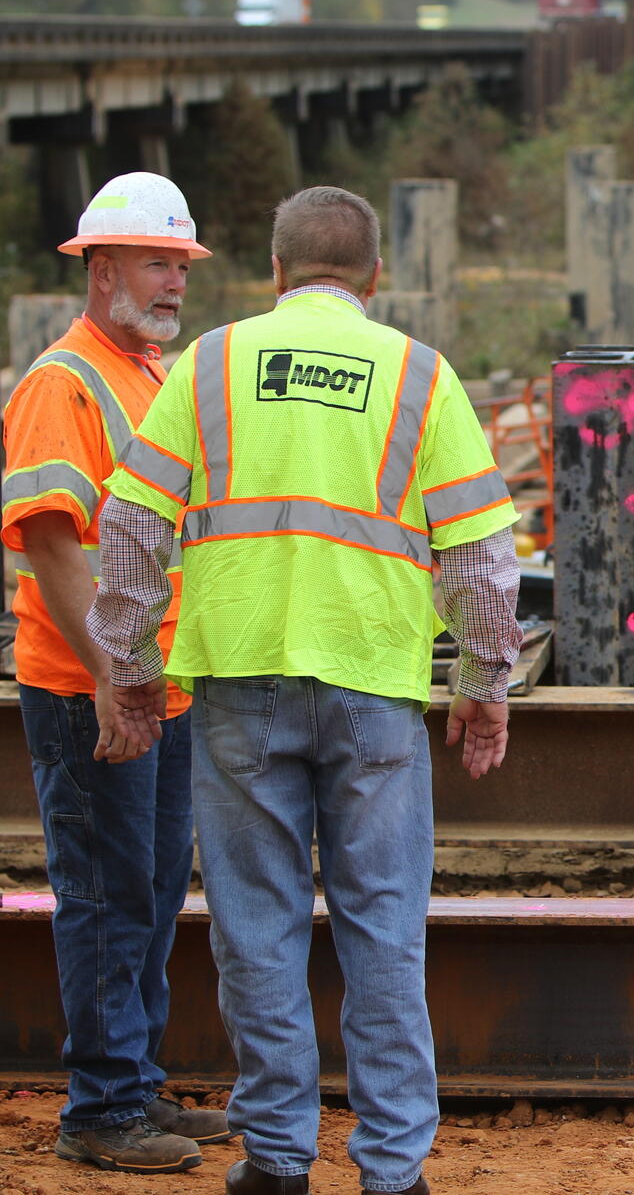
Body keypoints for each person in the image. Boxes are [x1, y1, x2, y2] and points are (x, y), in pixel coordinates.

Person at [88, 185, 523, 1195]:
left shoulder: (209, 364)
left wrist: (133, 668)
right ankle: (391, 1170)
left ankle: (278, 1161)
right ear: (374, 279)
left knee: (256, 928)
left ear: (275, 274)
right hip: (373, 683)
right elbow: (480, 557)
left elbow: (129, 531)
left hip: (241, 681)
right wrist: (483, 680)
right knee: (382, 928)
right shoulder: (421, 374)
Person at [5, 171, 230, 1175]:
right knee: (105, 894)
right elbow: (56, 548)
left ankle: (131, 1088)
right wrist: (112, 674)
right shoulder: (65, 383)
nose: (175, 283)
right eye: (155, 262)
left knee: (142, 891)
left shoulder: (141, 373)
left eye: (180, 265)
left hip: (155, 683)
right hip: (91, 686)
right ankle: (100, 1110)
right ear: (100, 272)